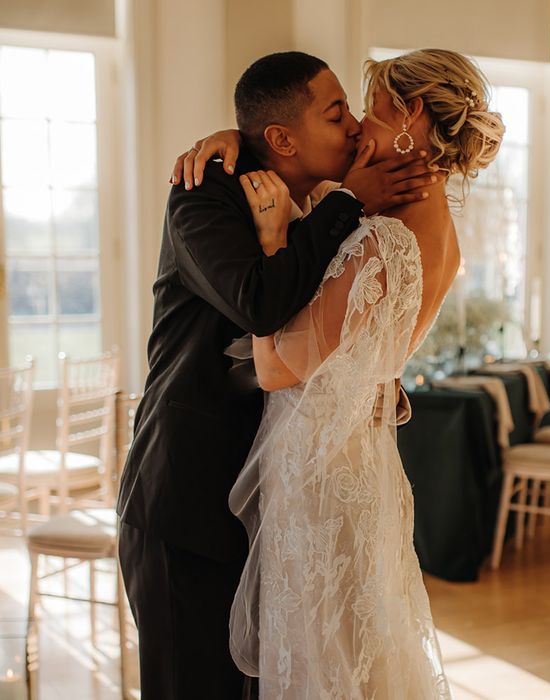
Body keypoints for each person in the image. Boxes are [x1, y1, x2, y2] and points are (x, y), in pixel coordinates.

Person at [184, 48, 504, 698]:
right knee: (350, 654)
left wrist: (273, 239)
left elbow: (276, 369)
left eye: (371, 108)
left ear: (410, 116)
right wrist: (234, 142)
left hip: (323, 471)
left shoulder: (386, 241)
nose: (358, 126)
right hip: (348, 454)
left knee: (325, 663)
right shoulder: (420, 226)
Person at [116, 51, 435, 700]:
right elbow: (260, 302)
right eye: (336, 112)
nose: (352, 127)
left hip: (274, 512)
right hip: (187, 502)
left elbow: (334, 334)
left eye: (352, 109)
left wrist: (382, 387)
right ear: (284, 139)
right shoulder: (205, 193)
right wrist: (345, 199)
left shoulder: (317, 203)